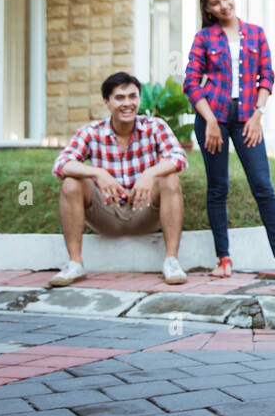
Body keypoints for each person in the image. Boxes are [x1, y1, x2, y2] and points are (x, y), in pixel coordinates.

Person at [183, 0, 275, 280]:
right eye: (215, 3)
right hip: (214, 118)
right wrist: (209, 120)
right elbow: (191, 83)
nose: (224, 5)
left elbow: (267, 77)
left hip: (248, 119)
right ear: (208, 9)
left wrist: (257, 115)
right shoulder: (204, 38)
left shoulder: (255, 34)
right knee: (218, 187)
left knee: (263, 186)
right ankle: (223, 259)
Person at [50, 72, 189, 286]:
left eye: (133, 97)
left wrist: (150, 174)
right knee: (71, 183)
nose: (127, 103)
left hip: (145, 211)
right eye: (119, 98)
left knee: (169, 178)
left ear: (139, 100)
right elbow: (61, 164)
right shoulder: (91, 132)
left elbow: (179, 158)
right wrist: (98, 173)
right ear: (106, 102)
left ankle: (171, 261)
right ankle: (75, 264)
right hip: (106, 213)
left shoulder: (155, 127)